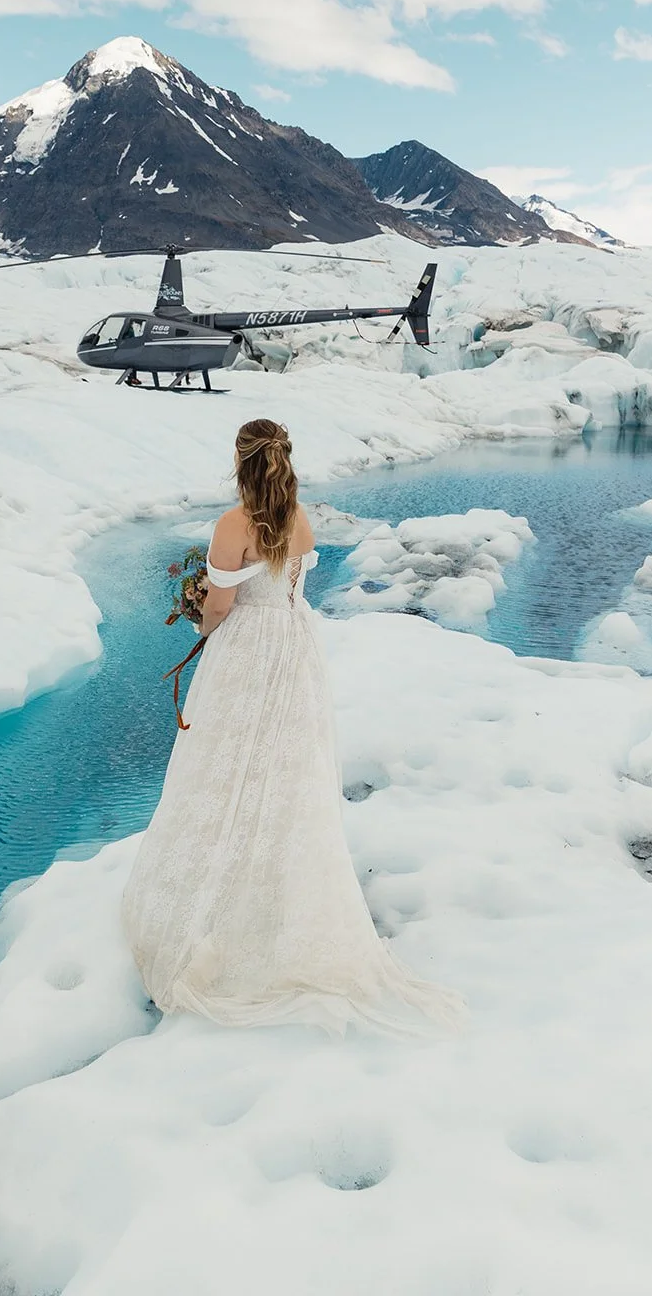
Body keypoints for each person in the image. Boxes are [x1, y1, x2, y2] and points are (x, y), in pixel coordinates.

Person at [121, 418, 465, 1036]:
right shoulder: (300, 518)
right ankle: (278, 888)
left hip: (248, 649)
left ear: (241, 462)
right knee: (284, 762)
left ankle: (224, 893)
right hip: (294, 643)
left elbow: (223, 606)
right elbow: (287, 586)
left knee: (227, 759)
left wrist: (200, 619)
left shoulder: (233, 525)